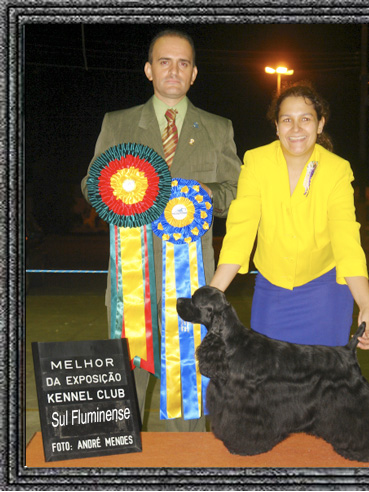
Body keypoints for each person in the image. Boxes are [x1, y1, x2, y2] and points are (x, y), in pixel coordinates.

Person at [81, 29, 242, 431]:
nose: (174, 70)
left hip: (192, 282)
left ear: (194, 73)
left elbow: (237, 191)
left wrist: (207, 195)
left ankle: (187, 463)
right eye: (165, 62)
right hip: (130, 284)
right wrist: (118, 190)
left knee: (188, 392)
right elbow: (90, 184)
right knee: (124, 393)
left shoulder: (218, 127)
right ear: (149, 70)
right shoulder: (117, 123)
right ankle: (123, 460)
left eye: (183, 63)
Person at [210, 82, 369, 350]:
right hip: (272, 291)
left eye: (306, 119)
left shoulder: (337, 170)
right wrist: (214, 292)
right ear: (277, 127)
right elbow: (241, 232)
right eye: (287, 120)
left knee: (325, 376)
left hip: (326, 292)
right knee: (266, 375)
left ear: (320, 124)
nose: (296, 128)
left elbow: (347, 242)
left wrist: (366, 306)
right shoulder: (255, 162)